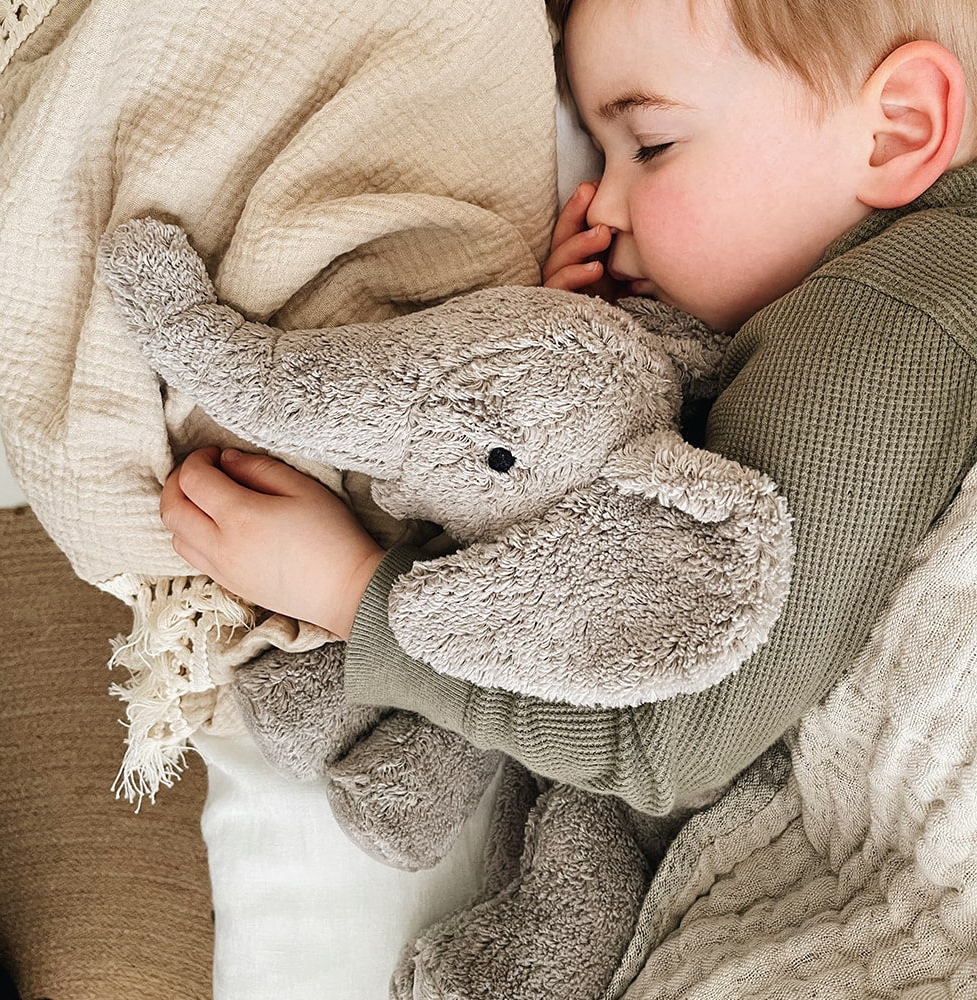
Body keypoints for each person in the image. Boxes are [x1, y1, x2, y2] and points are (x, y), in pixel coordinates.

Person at [158, 0, 977, 814]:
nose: (602, 203)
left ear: (899, 130)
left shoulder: (897, 313)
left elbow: (670, 741)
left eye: (650, 147)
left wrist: (351, 592)